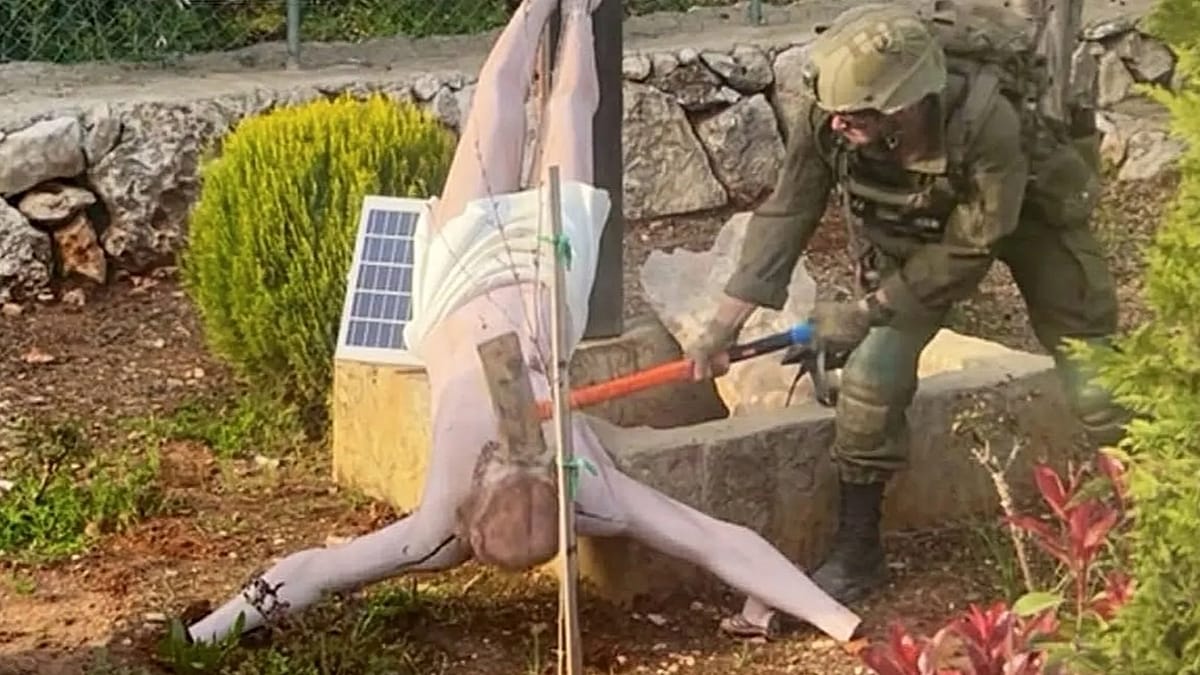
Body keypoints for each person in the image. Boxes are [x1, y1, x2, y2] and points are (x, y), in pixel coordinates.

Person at [181, 0, 862, 647]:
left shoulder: (464, 520)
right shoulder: (579, 497)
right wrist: (840, 623)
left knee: (509, 111)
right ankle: (553, 9)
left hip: (461, 278)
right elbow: (719, 541)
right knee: (550, 109)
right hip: (544, 271)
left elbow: (315, 570)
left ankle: (572, 10)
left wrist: (844, 626)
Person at [687, 2, 1129, 609]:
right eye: (836, 112)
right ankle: (858, 553)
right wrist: (722, 325)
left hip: (1027, 215)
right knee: (872, 376)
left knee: (1091, 366)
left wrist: (866, 309)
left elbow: (974, 244)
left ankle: (1147, 507)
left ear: (905, 104)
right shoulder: (832, 113)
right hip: (919, 233)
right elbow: (789, 211)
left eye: (856, 115)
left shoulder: (988, 121)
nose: (838, 124)